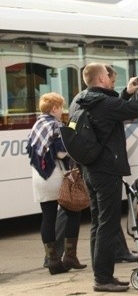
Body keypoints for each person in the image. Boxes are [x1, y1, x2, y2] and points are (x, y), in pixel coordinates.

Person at [74, 63, 138, 292]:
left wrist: (126, 93)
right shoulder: (104, 103)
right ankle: (103, 279)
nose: (112, 81)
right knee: (107, 225)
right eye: (110, 77)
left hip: (89, 168)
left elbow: (111, 111)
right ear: (101, 78)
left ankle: (101, 273)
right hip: (107, 170)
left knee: (98, 224)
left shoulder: (82, 99)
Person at [27, 92, 86, 274]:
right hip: (55, 176)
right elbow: (61, 152)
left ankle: (53, 261)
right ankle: (70, 256)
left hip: (39, 177)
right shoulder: (55, 125)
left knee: (48, 217)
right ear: (54, 109)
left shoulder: (37, 125)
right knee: (73, 212)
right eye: (61, 107)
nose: (62, 110)